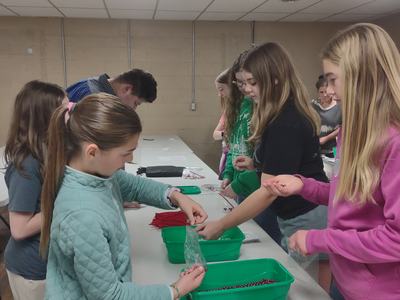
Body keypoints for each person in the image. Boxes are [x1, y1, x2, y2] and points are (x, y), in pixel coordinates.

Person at [263, 23, 400, 300]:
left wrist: (319, 238)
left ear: (362, 77)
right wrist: (303, 186)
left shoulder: (394, 143)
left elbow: (396, 238)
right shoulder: (353, 131)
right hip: (347, 280)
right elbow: (350, 196)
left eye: (332, 79)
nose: (328, 90)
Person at [40, 93, 207, 299]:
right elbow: (110, 295)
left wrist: (176, 196)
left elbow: (135, 186)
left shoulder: (97, 173)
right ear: (92, 152)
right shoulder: (82, 215)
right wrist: (175, 290)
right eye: (126, 153)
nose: (131, 159)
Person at [197, 42, 331, 291]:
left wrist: (222, 225)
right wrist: (257, 162)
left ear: (276, 79)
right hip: (300, 211)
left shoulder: (285, 122)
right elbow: (287, 163)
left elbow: (268, 189)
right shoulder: (279, 113)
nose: (246, 90)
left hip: (305, 215)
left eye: (252, 82)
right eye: (242, 83)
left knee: (303, 288)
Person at [4, 80, 66, 300]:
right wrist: (67, 206)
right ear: (46, 118)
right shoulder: (28, 165)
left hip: (48, 262)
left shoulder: (48, 153)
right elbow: (19, 229)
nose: (69, 116)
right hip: (32, 271)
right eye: (64, 111)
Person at [66, 68, 157, 110]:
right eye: (136, 103)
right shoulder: (94, 100)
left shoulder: (90, 83)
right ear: (127, 89)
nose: (134, 109)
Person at [213, 69, 230, 179]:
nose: (219, 94)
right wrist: (225, 133)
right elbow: (215, 135)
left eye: (221, 90)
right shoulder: (228, 112)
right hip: (227, 157)